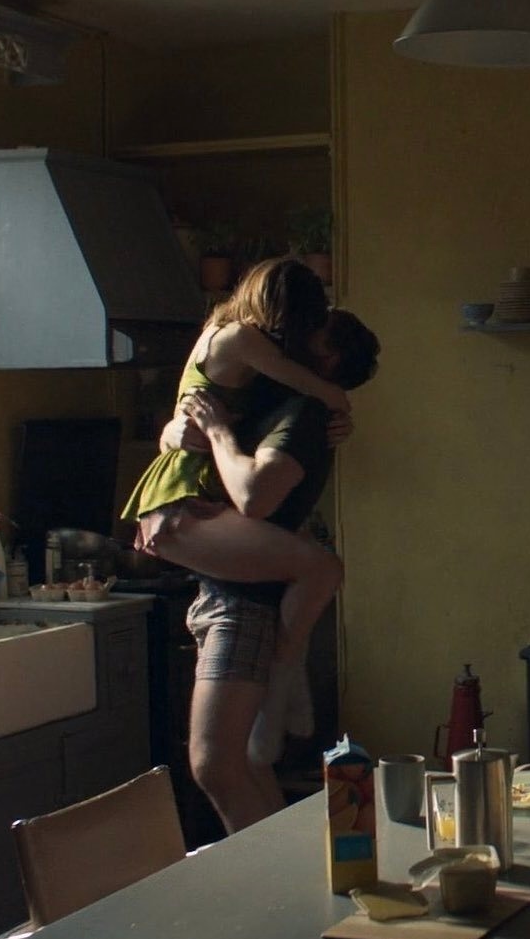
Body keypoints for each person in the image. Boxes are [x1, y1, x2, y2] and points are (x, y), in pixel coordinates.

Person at [121, 258, 355, 757]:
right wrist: (337, 407)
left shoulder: (241, 350)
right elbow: (321, 390)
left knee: (311, 570)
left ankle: (284, 690)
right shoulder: (239, 337)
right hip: (180, 498)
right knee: (320, 568)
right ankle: (281, 691)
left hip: (195, 493)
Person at [161, 308, 380, 833]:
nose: (288, 336)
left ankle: (276, 877)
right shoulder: (276, 398)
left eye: (311, 329)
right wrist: (177, 432)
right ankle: (288, 870)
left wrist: (217, 432)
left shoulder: (304, 414)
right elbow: (183, 433)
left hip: (246, 600)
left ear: (328, 357)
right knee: (243, 763)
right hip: (229, 591)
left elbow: (254, 496)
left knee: (216, 765)